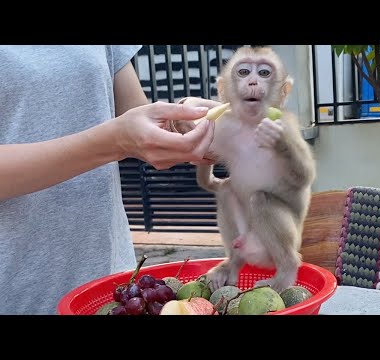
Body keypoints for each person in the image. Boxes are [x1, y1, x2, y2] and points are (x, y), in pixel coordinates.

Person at [0, 45, 219, 315]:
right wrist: (115, 142)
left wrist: (187, 123)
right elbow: (121, 135)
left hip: (112, 285)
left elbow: (138, 114)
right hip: (16, 291)